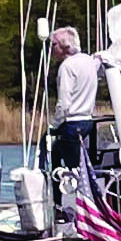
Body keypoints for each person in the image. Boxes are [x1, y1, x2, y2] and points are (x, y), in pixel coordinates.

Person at [48, 25, 101, 174]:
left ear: (65, 46)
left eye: (54, 45)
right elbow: (99, 62)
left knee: (69, 167)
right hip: (88, 122)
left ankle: (60, 193)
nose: (51, 49)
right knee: (79, 162)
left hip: (71, 124)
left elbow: (64, 103)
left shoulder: (67, 67)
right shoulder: (88, 61)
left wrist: (54, 125)